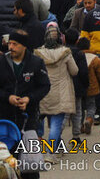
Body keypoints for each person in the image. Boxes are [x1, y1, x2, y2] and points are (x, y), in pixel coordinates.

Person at [0, 31, 50, 178]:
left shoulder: (36, 63)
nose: (11, 47)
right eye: (9, 43)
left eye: (15, 44)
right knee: (6, 162)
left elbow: (45, 86)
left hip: (28, 121)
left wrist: (29, 98)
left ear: (24, 46)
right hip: (5, 121)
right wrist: (7, 97)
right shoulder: (2, 63)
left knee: (30, 165)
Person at [34, 23, 78, 163]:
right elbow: (74, 71)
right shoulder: (65, 52)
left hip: (45, 92)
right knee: (56, 124)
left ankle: (58, 148)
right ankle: (50, 153)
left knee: (51, 122)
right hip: (62, 92)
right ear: (60, 36)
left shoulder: (39, 53)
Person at [77, 36, 100, 137]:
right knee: (91, 105)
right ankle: (89, 120)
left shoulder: (76, 57)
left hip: (79, 87)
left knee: (80, 107)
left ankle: (80, 125)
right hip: (92, 87)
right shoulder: (95, 59)